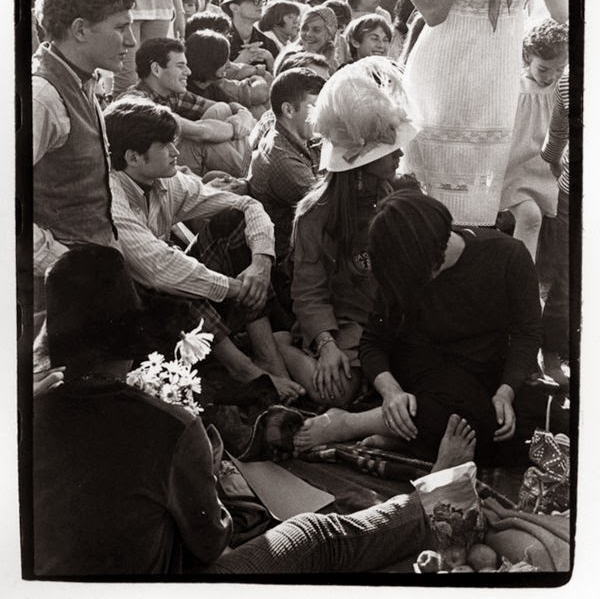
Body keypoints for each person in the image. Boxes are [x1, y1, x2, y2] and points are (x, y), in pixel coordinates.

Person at [32, 250, 478, 575]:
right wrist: (207, 473)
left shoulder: (29, 409)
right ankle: (427, 504)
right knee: (314, 535)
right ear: (131, 336)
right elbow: (210, 543)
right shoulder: (167, 425)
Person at [293, 190, 544, 466]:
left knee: (532, 425)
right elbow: (373, 342)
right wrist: (391, 392)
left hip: (483, 371)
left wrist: (506, 391)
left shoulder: (508, 255)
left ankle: (403, 436)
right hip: (425, 372)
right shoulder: (401, 269)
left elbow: (527, 334)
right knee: (461, 421)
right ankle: (349, 423)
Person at [387, 0, 568, 225]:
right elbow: (563, 10)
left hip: (445, 65)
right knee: (476, 191)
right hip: (497, 72)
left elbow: (434, 12)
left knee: (432, 185)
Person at [103, 98, 304, 401]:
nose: (175, 152)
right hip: (131, 310)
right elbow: (159, 269)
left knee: (233, 221)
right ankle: (243, 368)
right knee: (170, 281)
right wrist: (237, 289)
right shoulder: (112, 198)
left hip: (165, 288)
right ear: (133, 156)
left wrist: (261, 265)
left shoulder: (162, 180)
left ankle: (267, 356)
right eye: (166, 146)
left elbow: (246, 205)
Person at [278, 59, 415, 408]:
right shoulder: (315, 215)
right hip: (346, 323)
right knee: (337, 394)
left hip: (394, 320)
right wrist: (327, 346)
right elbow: (309, 290)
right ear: (360, 161)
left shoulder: (400, 194)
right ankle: (281, 347)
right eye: (388, 151)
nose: (400, 154)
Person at [32, 0, 136, 283]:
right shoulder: (42, 95)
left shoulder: (84, 79)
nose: (131, 41)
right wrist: (63, 263)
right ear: (80, 30)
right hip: (64, 294)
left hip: (97, 270)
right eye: (121, 28)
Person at [121, 37, 254, 178]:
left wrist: (242, 114)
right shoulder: (137, 101)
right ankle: (253, 178)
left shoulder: (172, 94)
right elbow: (201, 133)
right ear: (156, 69)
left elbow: (226, 107)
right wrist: (235, 128)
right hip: (152, 171)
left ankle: (252, 176)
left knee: (222, 109)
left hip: (169, 160)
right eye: (180, 66)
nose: (188, 72)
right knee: (202, 142)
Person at [500, 19, 568, 262]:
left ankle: (534, 276)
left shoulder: (564, 88)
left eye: (559, 69)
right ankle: (521, 281)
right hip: (517, 168)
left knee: (552, 227)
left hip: (549, 169)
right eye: (544, 69)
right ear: (528, 57)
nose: (551, 76)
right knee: (530, 217)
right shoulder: (515, 88)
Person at [247, 68, 325, 268]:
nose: (322, 115)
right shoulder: (282, 158)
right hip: (289, 263)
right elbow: (329, 210)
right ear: (289, 110)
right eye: (315, 107)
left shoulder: (305, 137)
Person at [540, 67, 570, 386]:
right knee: (565, 276)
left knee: (565, 276)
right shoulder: (569, 77)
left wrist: (552, 159)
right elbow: (557, 134)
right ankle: (551, 354)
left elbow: (556, 138)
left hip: (570, 186)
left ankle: (553, 355)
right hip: (573, 190)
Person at [185, 30, 270, 119]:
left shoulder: (212, 88)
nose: (229, 65)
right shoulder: (186, 91)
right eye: (224, 61)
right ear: (209, 62)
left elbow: (232, 105)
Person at [220, 0, 278, 70]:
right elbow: (212, 80)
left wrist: (269, 58)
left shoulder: (268, 43)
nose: (260, 5)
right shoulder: (219, 42)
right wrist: (240, 61)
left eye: (261, 1)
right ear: (235, 8)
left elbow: (279, 81)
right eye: (254, 1)